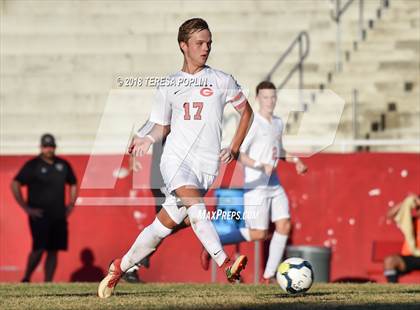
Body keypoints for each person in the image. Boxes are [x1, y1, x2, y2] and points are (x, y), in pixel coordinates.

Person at [98, 18, 253, 298]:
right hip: (176, 162)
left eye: (209, 43)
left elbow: (247, 113)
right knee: (197, 208)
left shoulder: (222, 80)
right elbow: (161, 125)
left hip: (206, 169)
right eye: (199, 43)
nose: (206, 48)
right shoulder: (169, 84)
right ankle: (226, 263)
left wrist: (234, 147)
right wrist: (146, 138)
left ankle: (118, 266)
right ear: (184, 46)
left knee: (160, 229)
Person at [200, 81, 307, 283]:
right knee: (260, 233)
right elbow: (238, 153)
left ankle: (268, 276)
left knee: (284, 226)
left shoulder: (277, 122)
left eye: (273, 97)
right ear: (257, 99)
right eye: (265, 97)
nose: (270, 101)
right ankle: (213, 243)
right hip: (256, 186)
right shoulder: (253, 123)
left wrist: (296, 161)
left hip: (274, 185)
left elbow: (278, 150)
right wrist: (260, 165)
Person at [11, 133, 78, 282]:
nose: (49, 149)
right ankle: (27, 277)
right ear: (41, 147)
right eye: (46, 146)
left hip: (58, 215)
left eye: (51, 146)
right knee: (39, 249)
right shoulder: (33, 165)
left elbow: (73, 182)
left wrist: (71, 204)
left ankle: (48, 282)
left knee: (53, 250)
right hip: (39, 215)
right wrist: (26, 208)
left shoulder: (63, 165)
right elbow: (15, 183)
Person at [383, 194, 420, 283]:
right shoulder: (410, 222)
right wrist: (407, 202)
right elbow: (390, 215)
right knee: (390, 261)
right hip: (411, 256)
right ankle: (393, 291)